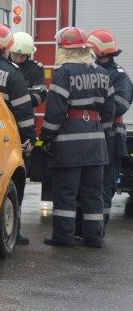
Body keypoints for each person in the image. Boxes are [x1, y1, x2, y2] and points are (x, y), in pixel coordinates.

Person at [40, 27, 114, 248]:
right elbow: (109, 112)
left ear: (65, 48)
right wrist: (100, 132)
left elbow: (54, 110)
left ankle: (63, 237)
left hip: (69, 142)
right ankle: (94, 238)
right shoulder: (103, 73)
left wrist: (48, 136)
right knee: (93, 194)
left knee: (66, 192)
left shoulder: (64, 73)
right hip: (96, 141)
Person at [0, 23, 36, 245]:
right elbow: (23, 110)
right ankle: (12, 232)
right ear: (5, 48)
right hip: (4, 137)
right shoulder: (12, 73)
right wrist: (29, 137)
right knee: (10, 184)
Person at [86, 29, 132, 226]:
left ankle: (98, 229)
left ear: (100, 52)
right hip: (91, 132)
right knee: (88, 184)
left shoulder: (119, 76)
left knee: (105, 184)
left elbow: (120, 105)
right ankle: (86, 229)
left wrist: (95, 110)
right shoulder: (89, 70)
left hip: (111, 135)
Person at [9, 32, 47, 107]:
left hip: (25, 112)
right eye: (15, 54)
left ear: (29, 54)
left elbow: (41, 95)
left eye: (23, 56)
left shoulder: (35, 69)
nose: (18, 59)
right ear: (9, 51)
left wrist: (23, 104)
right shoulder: (4, 66)